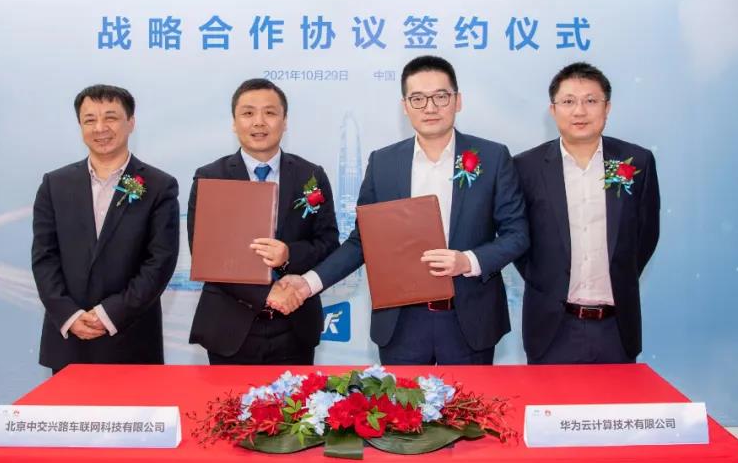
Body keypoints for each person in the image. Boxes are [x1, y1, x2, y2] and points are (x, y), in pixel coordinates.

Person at [280, 55, 529, 365]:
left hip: (468, 320)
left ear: (458, 101)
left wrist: (468, 260)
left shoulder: (492, 157)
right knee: (399, 399)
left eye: (441, 96)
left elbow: (517, 234)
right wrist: (308, 283)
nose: (430, 107)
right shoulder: (383, 163)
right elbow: (362, 242)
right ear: (405, 106)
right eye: (418, 98)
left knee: (469, 400)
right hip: (401, 324)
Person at [513, 62, 660, 364]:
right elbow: (518, 240)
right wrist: (548, 281)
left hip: (616, 326)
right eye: (568, 101)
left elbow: (646, 235)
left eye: (591, 101)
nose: (579, 111)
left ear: (607, 108)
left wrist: (620, 274)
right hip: (551, 326)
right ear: (553, 110)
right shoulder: (525, 167)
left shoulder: (637, 162)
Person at [187, 78, 339, 365]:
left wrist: (288, 255)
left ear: (285, 121)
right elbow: (206, 254)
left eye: (270, 112)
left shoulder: (311, 175)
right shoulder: (211, 177)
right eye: (248, 113)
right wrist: (266, 293)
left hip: (295, 323)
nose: (259, 122)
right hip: (230, 326)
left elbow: (329, 243)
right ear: (234, 123)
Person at [32, 84, 179, 373]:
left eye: (110, 117)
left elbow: (159, 262)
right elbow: (44, 258)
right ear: (80, 126)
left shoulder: (159, 186)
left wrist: (109, 314)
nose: (100, 128)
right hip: (70, 340)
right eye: (90, 120)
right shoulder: (55, 184)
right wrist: (70, 315)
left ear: (131, 122)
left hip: (131, 338)